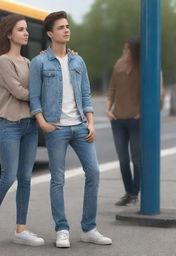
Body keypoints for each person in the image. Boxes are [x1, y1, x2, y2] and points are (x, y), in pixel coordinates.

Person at [29, 11, 112, 248]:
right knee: (58, 179)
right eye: (61, 27)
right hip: (56, 128)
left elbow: (85, 94)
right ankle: (62, 228)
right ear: (50, 33)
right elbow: (34, 97)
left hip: (80, 127)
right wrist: (43, 123)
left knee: (93, 173)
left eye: (67, 26)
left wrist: (91, 121)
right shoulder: (40, 62)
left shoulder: (78, 61)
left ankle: (89, 228)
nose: (66, 30)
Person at [0, 14, 44, 247]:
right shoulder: (4, 61)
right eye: (20, 29)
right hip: (10, 125)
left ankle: (21, 229)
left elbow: (41, 85)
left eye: (26, 29)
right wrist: (39, 98)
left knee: (25, 179)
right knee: (7, 178)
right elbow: (19, 92)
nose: (26, 33)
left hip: (30, 126)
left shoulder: (28, 63)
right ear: (9, 34)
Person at [106, 37, 164, 206]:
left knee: (137, 159)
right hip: (117, 120)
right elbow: (112, 88)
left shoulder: (145, 66)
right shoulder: (118, 65)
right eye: (124, 49)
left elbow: (159, 93)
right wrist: (108, 109)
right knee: (123, 159)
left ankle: (134, 192)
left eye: (127, 49)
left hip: (136, 120)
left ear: (135, 52)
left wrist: (146, 113)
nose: (124, 52)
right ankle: (130, 192)